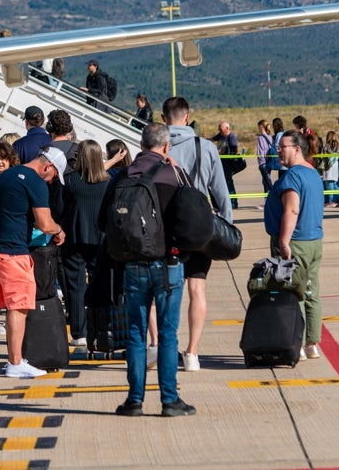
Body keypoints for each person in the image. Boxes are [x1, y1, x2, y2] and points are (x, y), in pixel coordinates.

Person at [100, 123, 196, 417]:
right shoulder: (173, 173)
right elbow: (192, 218)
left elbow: (104, 221)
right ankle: (169, 399)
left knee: (135, 332)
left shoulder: (124, 175)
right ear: (166, 147)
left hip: (132, 263)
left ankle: (134, 400)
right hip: (167, 263)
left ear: (141, 144)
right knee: (168, 333)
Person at [0, 147, 67, 378]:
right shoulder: (36, 182)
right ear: (47, 166)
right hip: (13, 252)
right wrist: (58, 230)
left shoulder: (5, 175)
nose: (52, 180)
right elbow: (45, 224)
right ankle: (15, 362)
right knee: (18, 306)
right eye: (54, 175)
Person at [162, 95, 232, 372]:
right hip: (201, 226)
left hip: (169, 228)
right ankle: (193, 353)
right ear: (187, 117)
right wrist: (226, 224)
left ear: (164, 118)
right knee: (197, 286)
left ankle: (165, 347)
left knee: (167, 290)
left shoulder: (159, 147)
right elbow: (221, 190)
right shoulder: (206, 147)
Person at [264, 130, 325, 361]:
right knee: (311, 292)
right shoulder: (313, 173)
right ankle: (312, 344)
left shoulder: (292, 177)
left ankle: (295, 343)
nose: (278, 150)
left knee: (292, 293)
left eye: (283, 147)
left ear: (297, 149)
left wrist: (283, 241)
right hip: (313, 242)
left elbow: (292, 208)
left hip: (295, 243)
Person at [59, 140, 110, 348]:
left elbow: (60, 208)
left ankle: (79, 332)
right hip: (101, 239)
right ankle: (102, 327)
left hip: (74, 237)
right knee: (101, 285)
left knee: (75, 286)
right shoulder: (108, 182)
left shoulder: (69, 180)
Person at [212, 121, 240, 209]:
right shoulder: (221, 135)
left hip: (229, 163)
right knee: (223, 182)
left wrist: (224, 151)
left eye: (221, 129)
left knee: (229, 182)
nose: (219, 131)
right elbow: (213, 139)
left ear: (227, 128)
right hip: (221, 163)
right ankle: (225, 202)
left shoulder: (232, 137)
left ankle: (233, 202)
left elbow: (235, 149)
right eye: (219, 129)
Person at [319, 130, 339, 208]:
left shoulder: (326, 147)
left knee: (329, 184)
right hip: (335, 166)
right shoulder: (338, 146)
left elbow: (322, 156)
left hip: (328, 167)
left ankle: (331, 201)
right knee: (334, 183)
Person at [256, 119, 275, 197]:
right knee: (266, 180)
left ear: (261, 127)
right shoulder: (269, 137)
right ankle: (266, 199)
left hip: (263, 162)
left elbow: (261, 151)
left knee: (267, 181)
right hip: (269, 161)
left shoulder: (260, 138)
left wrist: (260, 161)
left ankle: (273, 196)